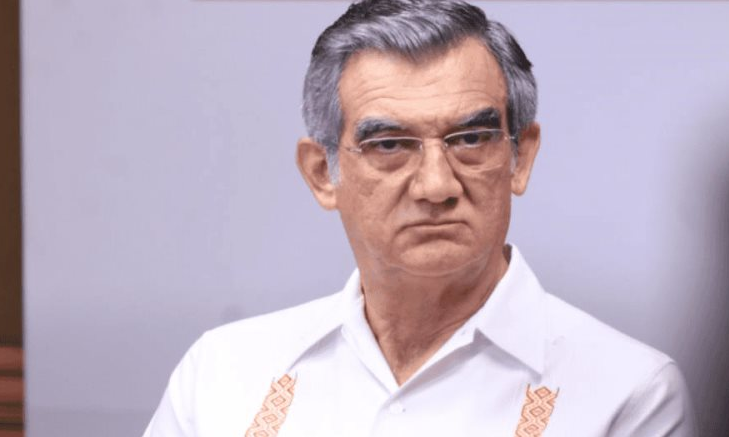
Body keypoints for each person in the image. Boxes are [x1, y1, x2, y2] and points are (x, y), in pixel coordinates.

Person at [143, 1, 696, 436]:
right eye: (389, 144)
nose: (436, 186)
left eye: (471, 139)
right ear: (321, 174)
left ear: (520, 158)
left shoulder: (630, 395)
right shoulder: (223, 376)